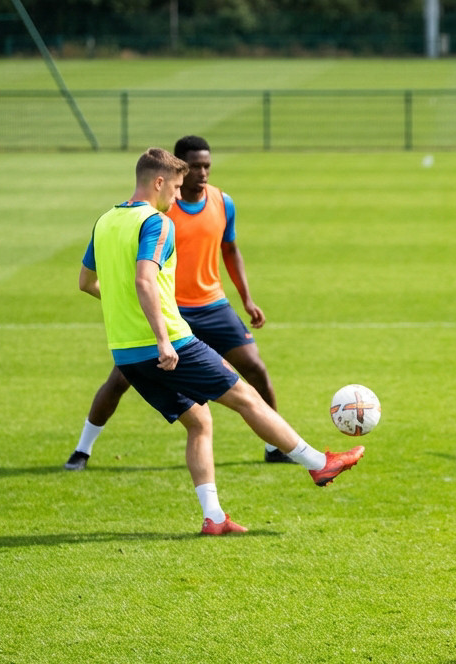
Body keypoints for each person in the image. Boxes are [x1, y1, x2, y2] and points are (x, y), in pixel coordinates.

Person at [78, 148, 363, 535]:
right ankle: (318, 462)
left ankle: (213, 518)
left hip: (127, 352)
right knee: (245, 397)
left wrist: (124, 308)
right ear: (158, 182)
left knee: (200, 422)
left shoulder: (106, 221)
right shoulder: (156, 223)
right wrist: (163, 339)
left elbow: (87, 283)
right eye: (175, 187)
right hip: (171, 345)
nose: (177, 197)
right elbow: (144, 279)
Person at [66, 134, 290, 470]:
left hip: (213, 306)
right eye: (196, 166)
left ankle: (276, 447)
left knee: (255, 368)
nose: (203, 173)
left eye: (207, 166)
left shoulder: (222, 203)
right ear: (177, 171)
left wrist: (246, 298)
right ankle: (82, 450)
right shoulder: (159, 214)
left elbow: (230, 250)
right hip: (171, 311)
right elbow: (139, 276)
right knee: (118, 381)